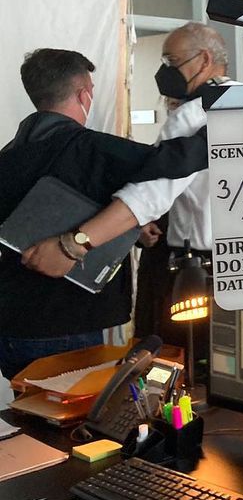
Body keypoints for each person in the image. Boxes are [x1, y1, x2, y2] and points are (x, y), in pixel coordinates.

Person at [24, 23, 237, 365]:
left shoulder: (192, 115)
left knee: (178, 368)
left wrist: (73, 245)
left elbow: (149, 195)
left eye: (172, 61)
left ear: (204, 60)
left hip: (196, 276)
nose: (164, 71)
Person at [0, 49, 208, 378]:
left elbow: (52, 210)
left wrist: (131, 232)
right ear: (84, 93)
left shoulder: (10, 154)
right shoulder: (90, 148)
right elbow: (171, 161)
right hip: (67, 325)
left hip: (13, 323)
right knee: (75, 410)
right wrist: (219, 129)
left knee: (29, 404)